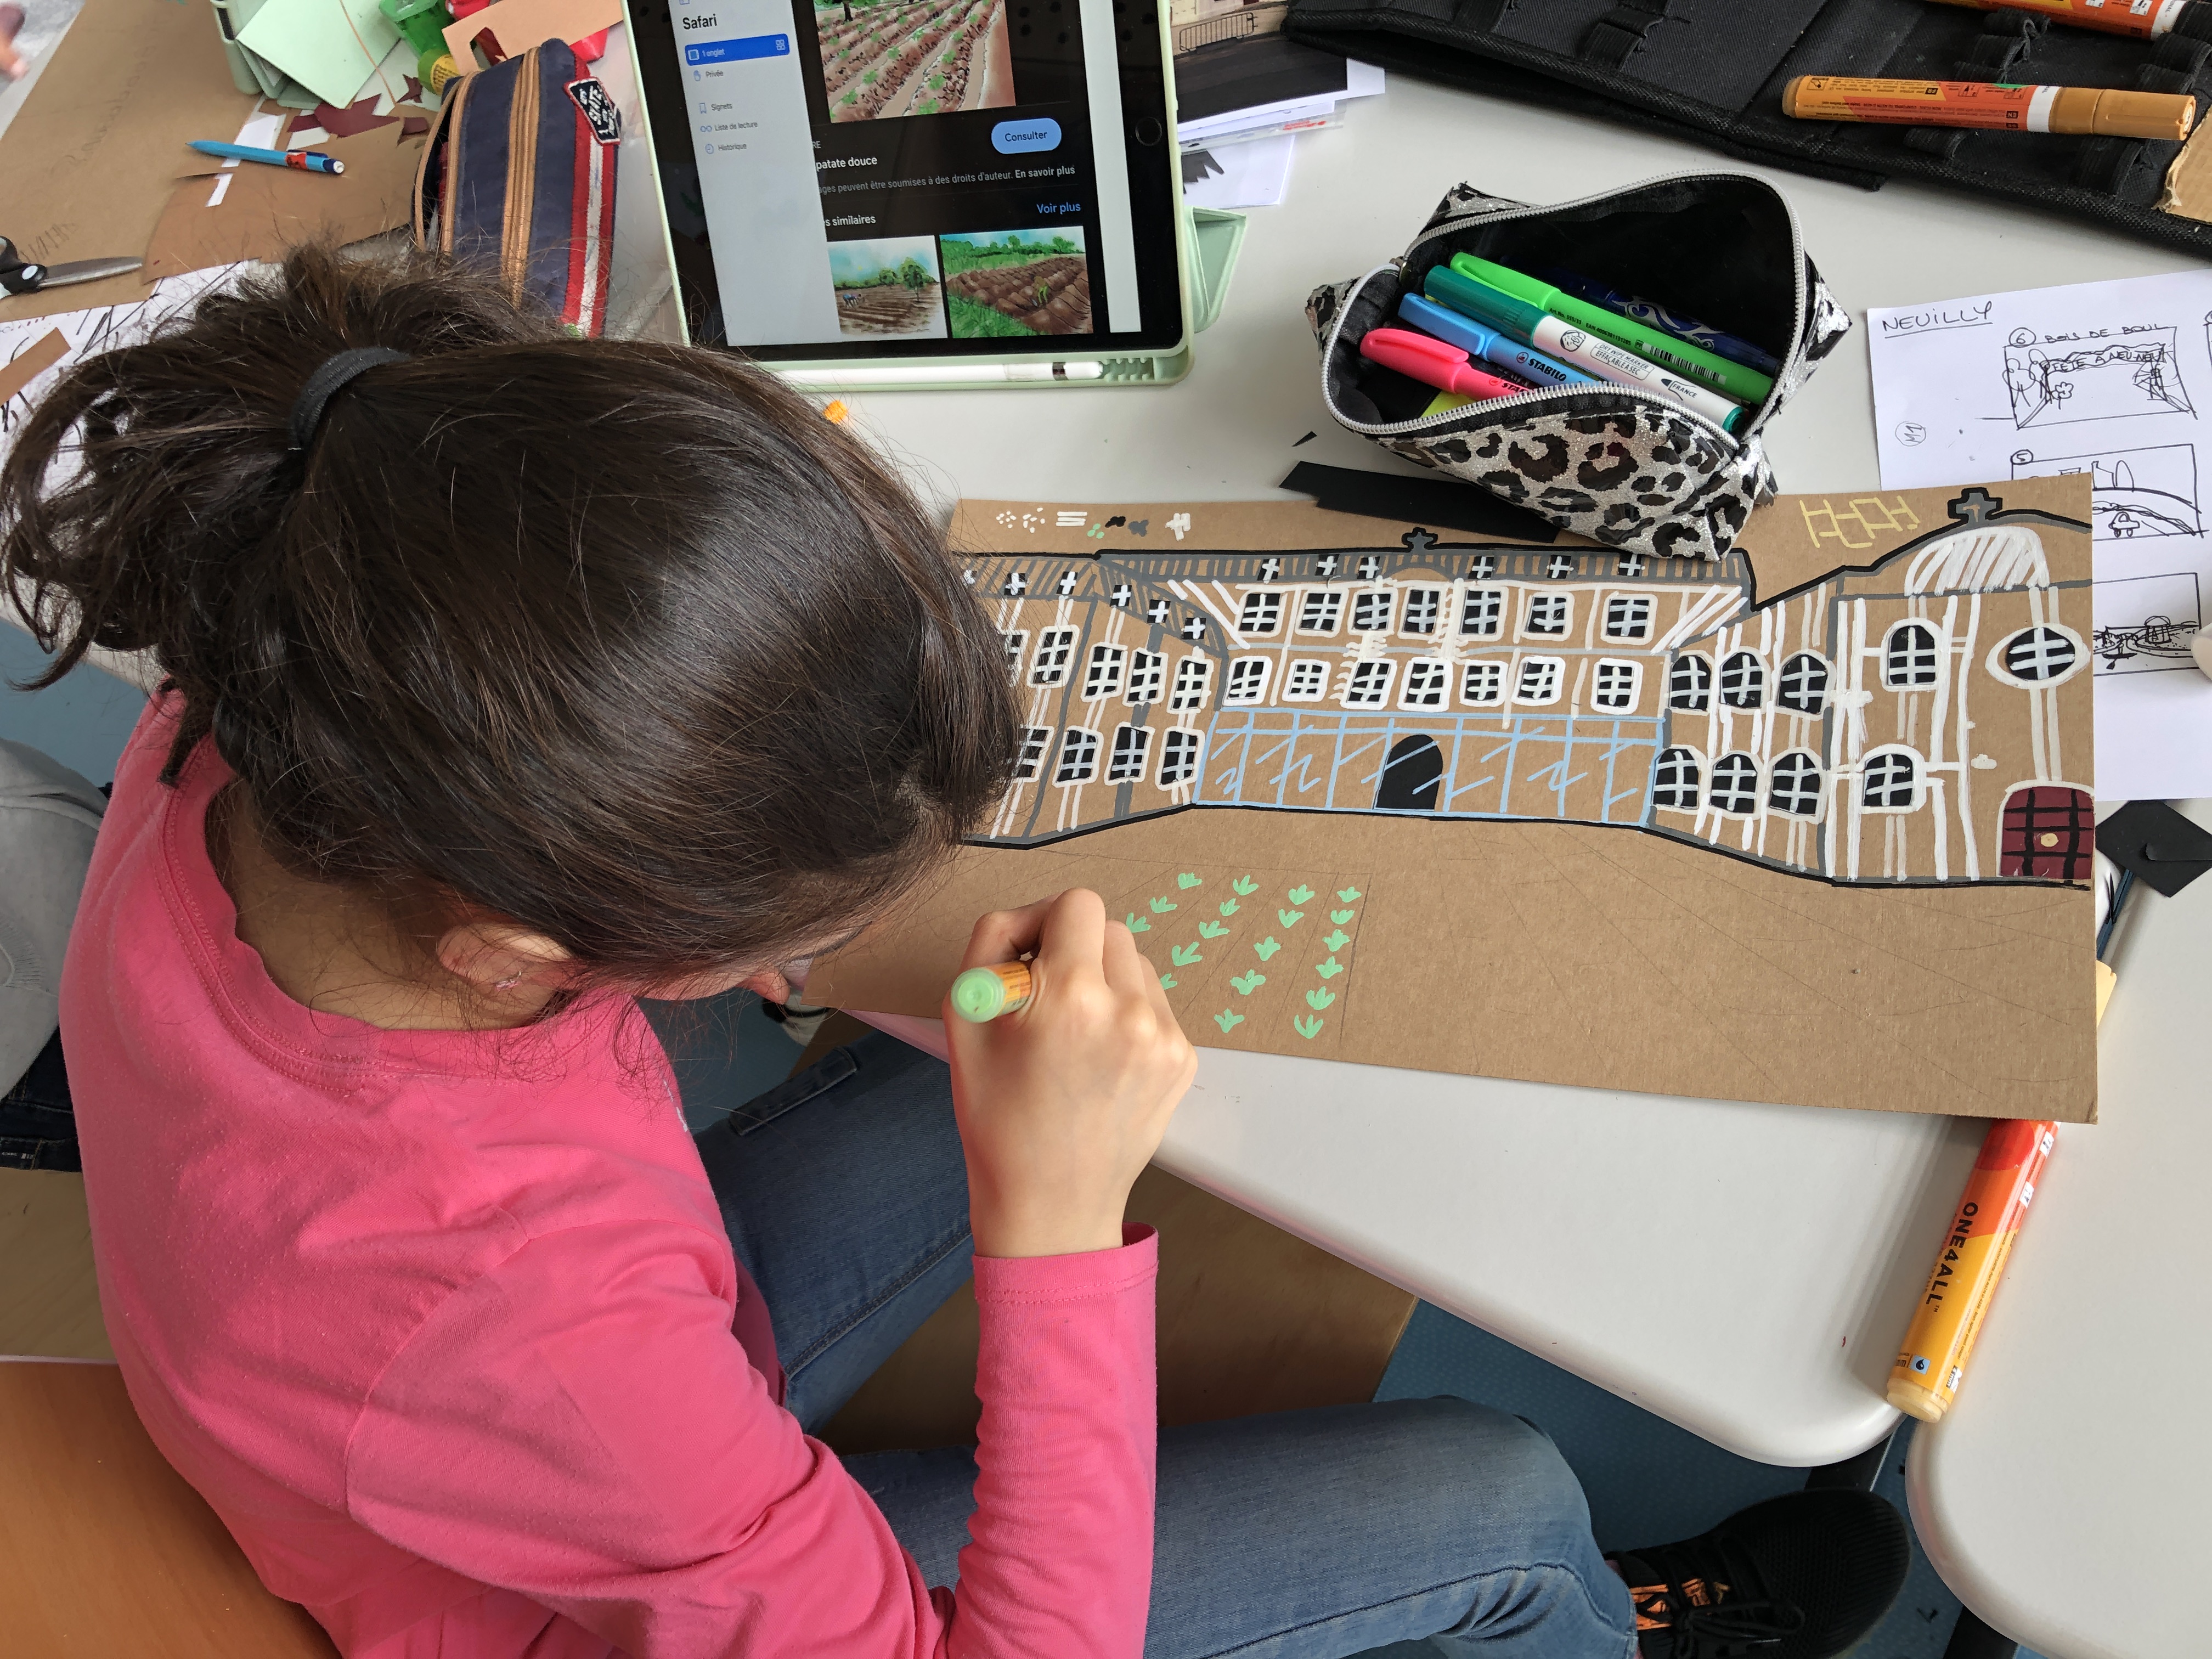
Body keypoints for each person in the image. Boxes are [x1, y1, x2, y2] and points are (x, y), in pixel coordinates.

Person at [0, 245, 1908, 1659]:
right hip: (555, 1541)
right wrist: (1053, 1232)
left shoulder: (282, 701)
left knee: (1032, 1015)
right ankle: (1591, 1617)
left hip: (530, 1352)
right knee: (1493, 1498)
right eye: (775, 929)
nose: (834, 940)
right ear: (515, 947)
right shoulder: (535, 1339)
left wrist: (739, 913)